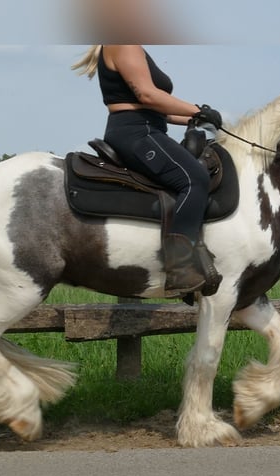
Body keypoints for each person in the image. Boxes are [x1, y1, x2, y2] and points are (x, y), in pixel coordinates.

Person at [72, 44, 223, 293]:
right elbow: (147, 95)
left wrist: (200, 118)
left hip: (148, 126)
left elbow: (158, 109)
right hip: (137, 131)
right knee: (194, 178)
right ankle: (180, 267)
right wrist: (198, 110)